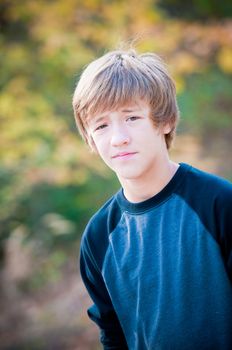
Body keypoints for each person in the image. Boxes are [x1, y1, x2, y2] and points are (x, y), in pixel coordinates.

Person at [72, 49, 232, 349]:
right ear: (91, 138)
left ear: (166, 121)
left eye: (131, 117)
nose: (118, 137)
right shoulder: (98, 238)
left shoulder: (219, 205)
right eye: (101, 125)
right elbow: (113, 336)